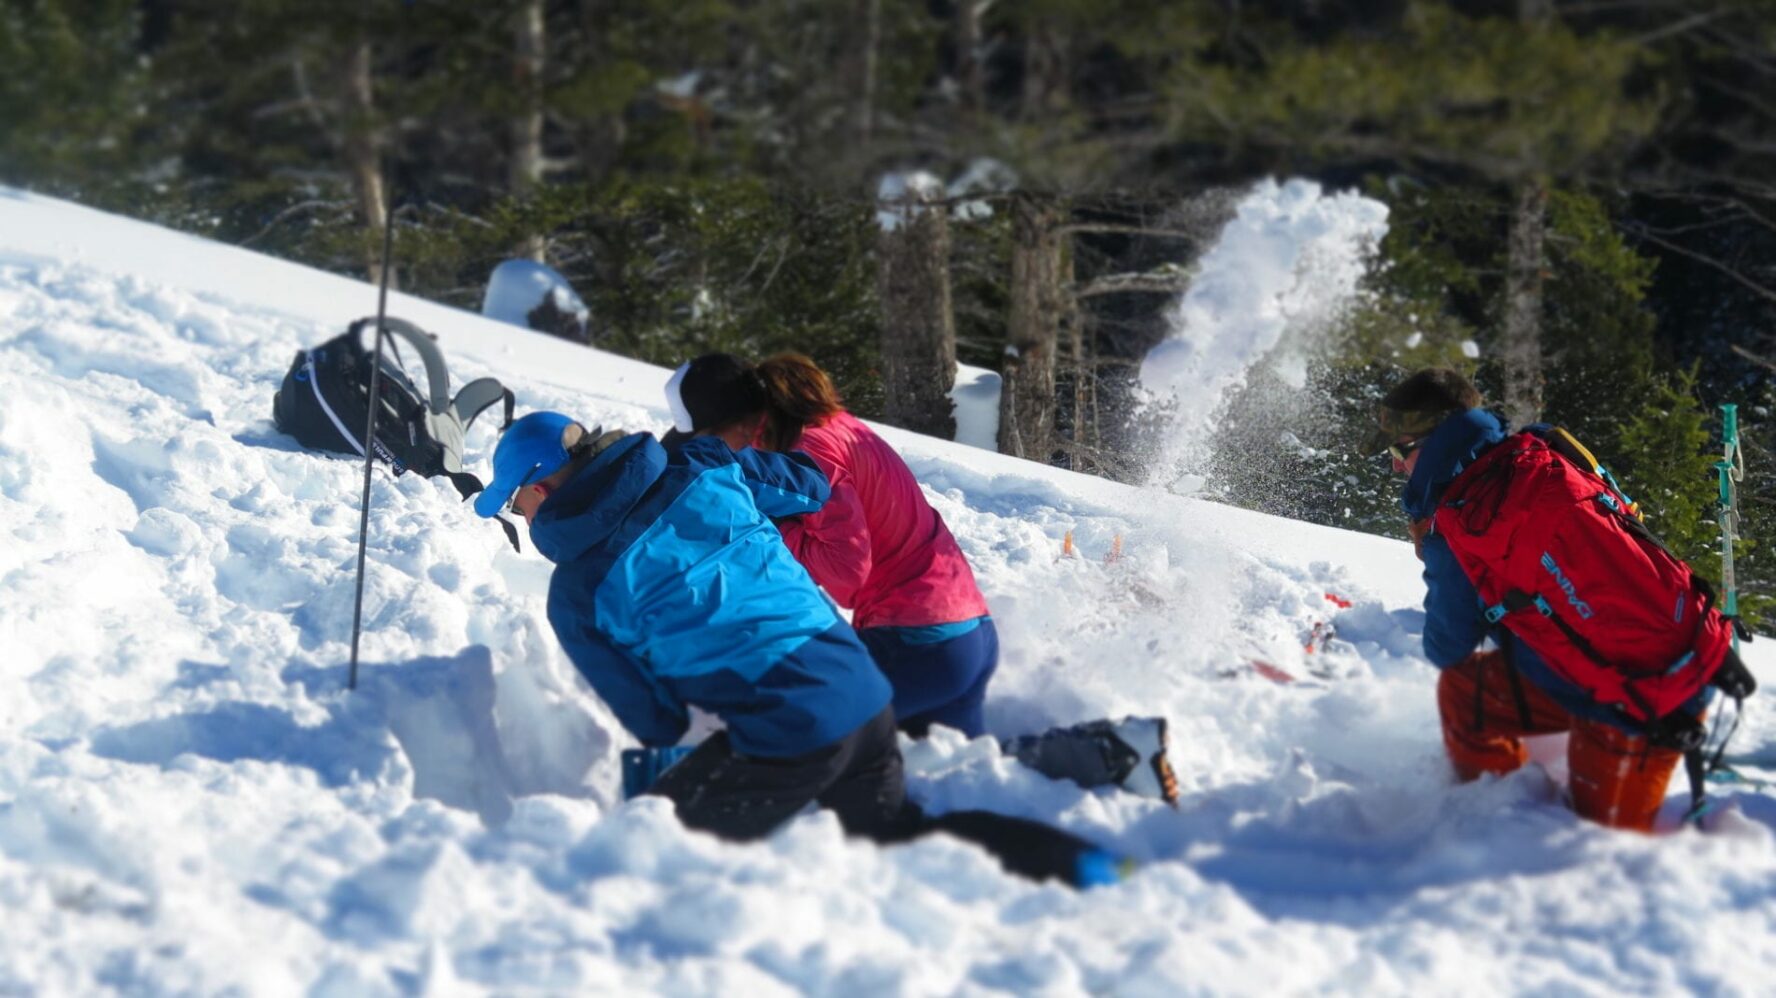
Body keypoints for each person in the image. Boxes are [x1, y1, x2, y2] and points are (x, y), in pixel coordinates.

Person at [476, 410, 1130, 886]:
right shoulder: (699, 462)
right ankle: (1094, 867)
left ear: (541, 488)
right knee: (894, 838)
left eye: (514, 502)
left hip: (788, 731)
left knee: (648, 859)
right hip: (867, 694)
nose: (521, 517)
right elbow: (809, 487)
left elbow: (658, 720)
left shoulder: (577, 594)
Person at [664, 352, 1179, 805]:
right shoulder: (838, 426)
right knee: (961, 769)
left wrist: (772, 527)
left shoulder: (813, 452)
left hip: (916, 639)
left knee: (808, 743)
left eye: (717, 438)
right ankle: (1115, 753)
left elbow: (847, 571)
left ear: (751, 420)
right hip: (963, 633)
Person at [1370, 368, 1743, 831]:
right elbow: (1627, 522)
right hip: (1688, 635)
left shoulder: (1460, 522)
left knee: (1603, 849)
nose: (1394, 466)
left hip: (1642, 698)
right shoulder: (1547, 448)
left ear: (1429, 442)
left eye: (1398, 451)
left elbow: (1445, 646)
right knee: (1468, 693)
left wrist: (1437, 557)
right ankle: (1510, 808)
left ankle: (1509, 830)